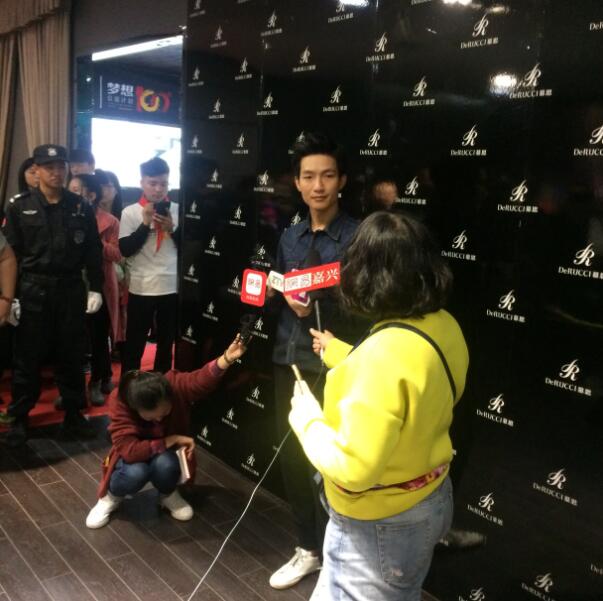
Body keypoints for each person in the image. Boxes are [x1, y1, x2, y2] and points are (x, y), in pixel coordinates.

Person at [289, 211, 469, 601]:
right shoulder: (445, 325)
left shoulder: (381, 356)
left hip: (380, 521)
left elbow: (353, 469)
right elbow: (411, 384)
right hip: (431, 495)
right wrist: (344, 354)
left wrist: (307, 420)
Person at [268, 132, 359, 590]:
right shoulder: (290, 235)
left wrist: (323, 304)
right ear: (298, 183)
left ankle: (341, 555)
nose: (318, 185)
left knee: (333, 465)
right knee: (292, 457)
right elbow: (283, 286)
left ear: (341, 181)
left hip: (337, 364)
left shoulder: (359, 237)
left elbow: (368, 304)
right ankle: (307, 548)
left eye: (327, 175)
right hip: (288, 358)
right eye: (309, 177)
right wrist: (286, 295)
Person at [85, 333, 246, 529]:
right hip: (133, 458)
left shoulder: (173, 385)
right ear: (135, 408)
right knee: (136, 472)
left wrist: (226, 358)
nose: (160, 420)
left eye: (165, 413)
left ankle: (167, 494)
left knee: (167, 464)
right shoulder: (120, 402)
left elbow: (199, 380)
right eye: (152, 417)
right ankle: (111, 497)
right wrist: (171, 439)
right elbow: (129, 451)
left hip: (164, 454)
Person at [0, 144, 104, 446]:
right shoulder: (19, 206)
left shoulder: (80, 206)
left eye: (61, 166)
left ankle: (73, 414)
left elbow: (93, 251)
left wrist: (95, 287)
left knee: (71, 354)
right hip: (33, 288)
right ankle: (20, 417)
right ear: (36, 169)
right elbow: (10, 255)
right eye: (49, 167)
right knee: (27, 357)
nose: (56, 172)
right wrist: (11, 296)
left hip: (70, 288)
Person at [119, 157, 178, 375]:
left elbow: (189, 248)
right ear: (142, 183)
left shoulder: (178, 209)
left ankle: (161, 384)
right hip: (141, 286)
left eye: (163, 184)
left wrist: (172, 229)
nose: (158, 189)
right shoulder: (130, 212)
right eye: (152, 183)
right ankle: (128, 385)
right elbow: (125, 249)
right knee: (135, 342)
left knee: (166, 343)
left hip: (171, 285)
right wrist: (145, 224)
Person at [69, 173, 122, 405]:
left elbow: (117, 254)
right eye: (70, 189)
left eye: (76, 190)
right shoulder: (65, 217)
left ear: (91, 194)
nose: (71, 194)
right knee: (73, 338)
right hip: (71, 284)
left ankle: (98, 381)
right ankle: (72, 387)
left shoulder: (110, 221)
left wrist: (95, 240)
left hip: (99, 283)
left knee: (99, 335)